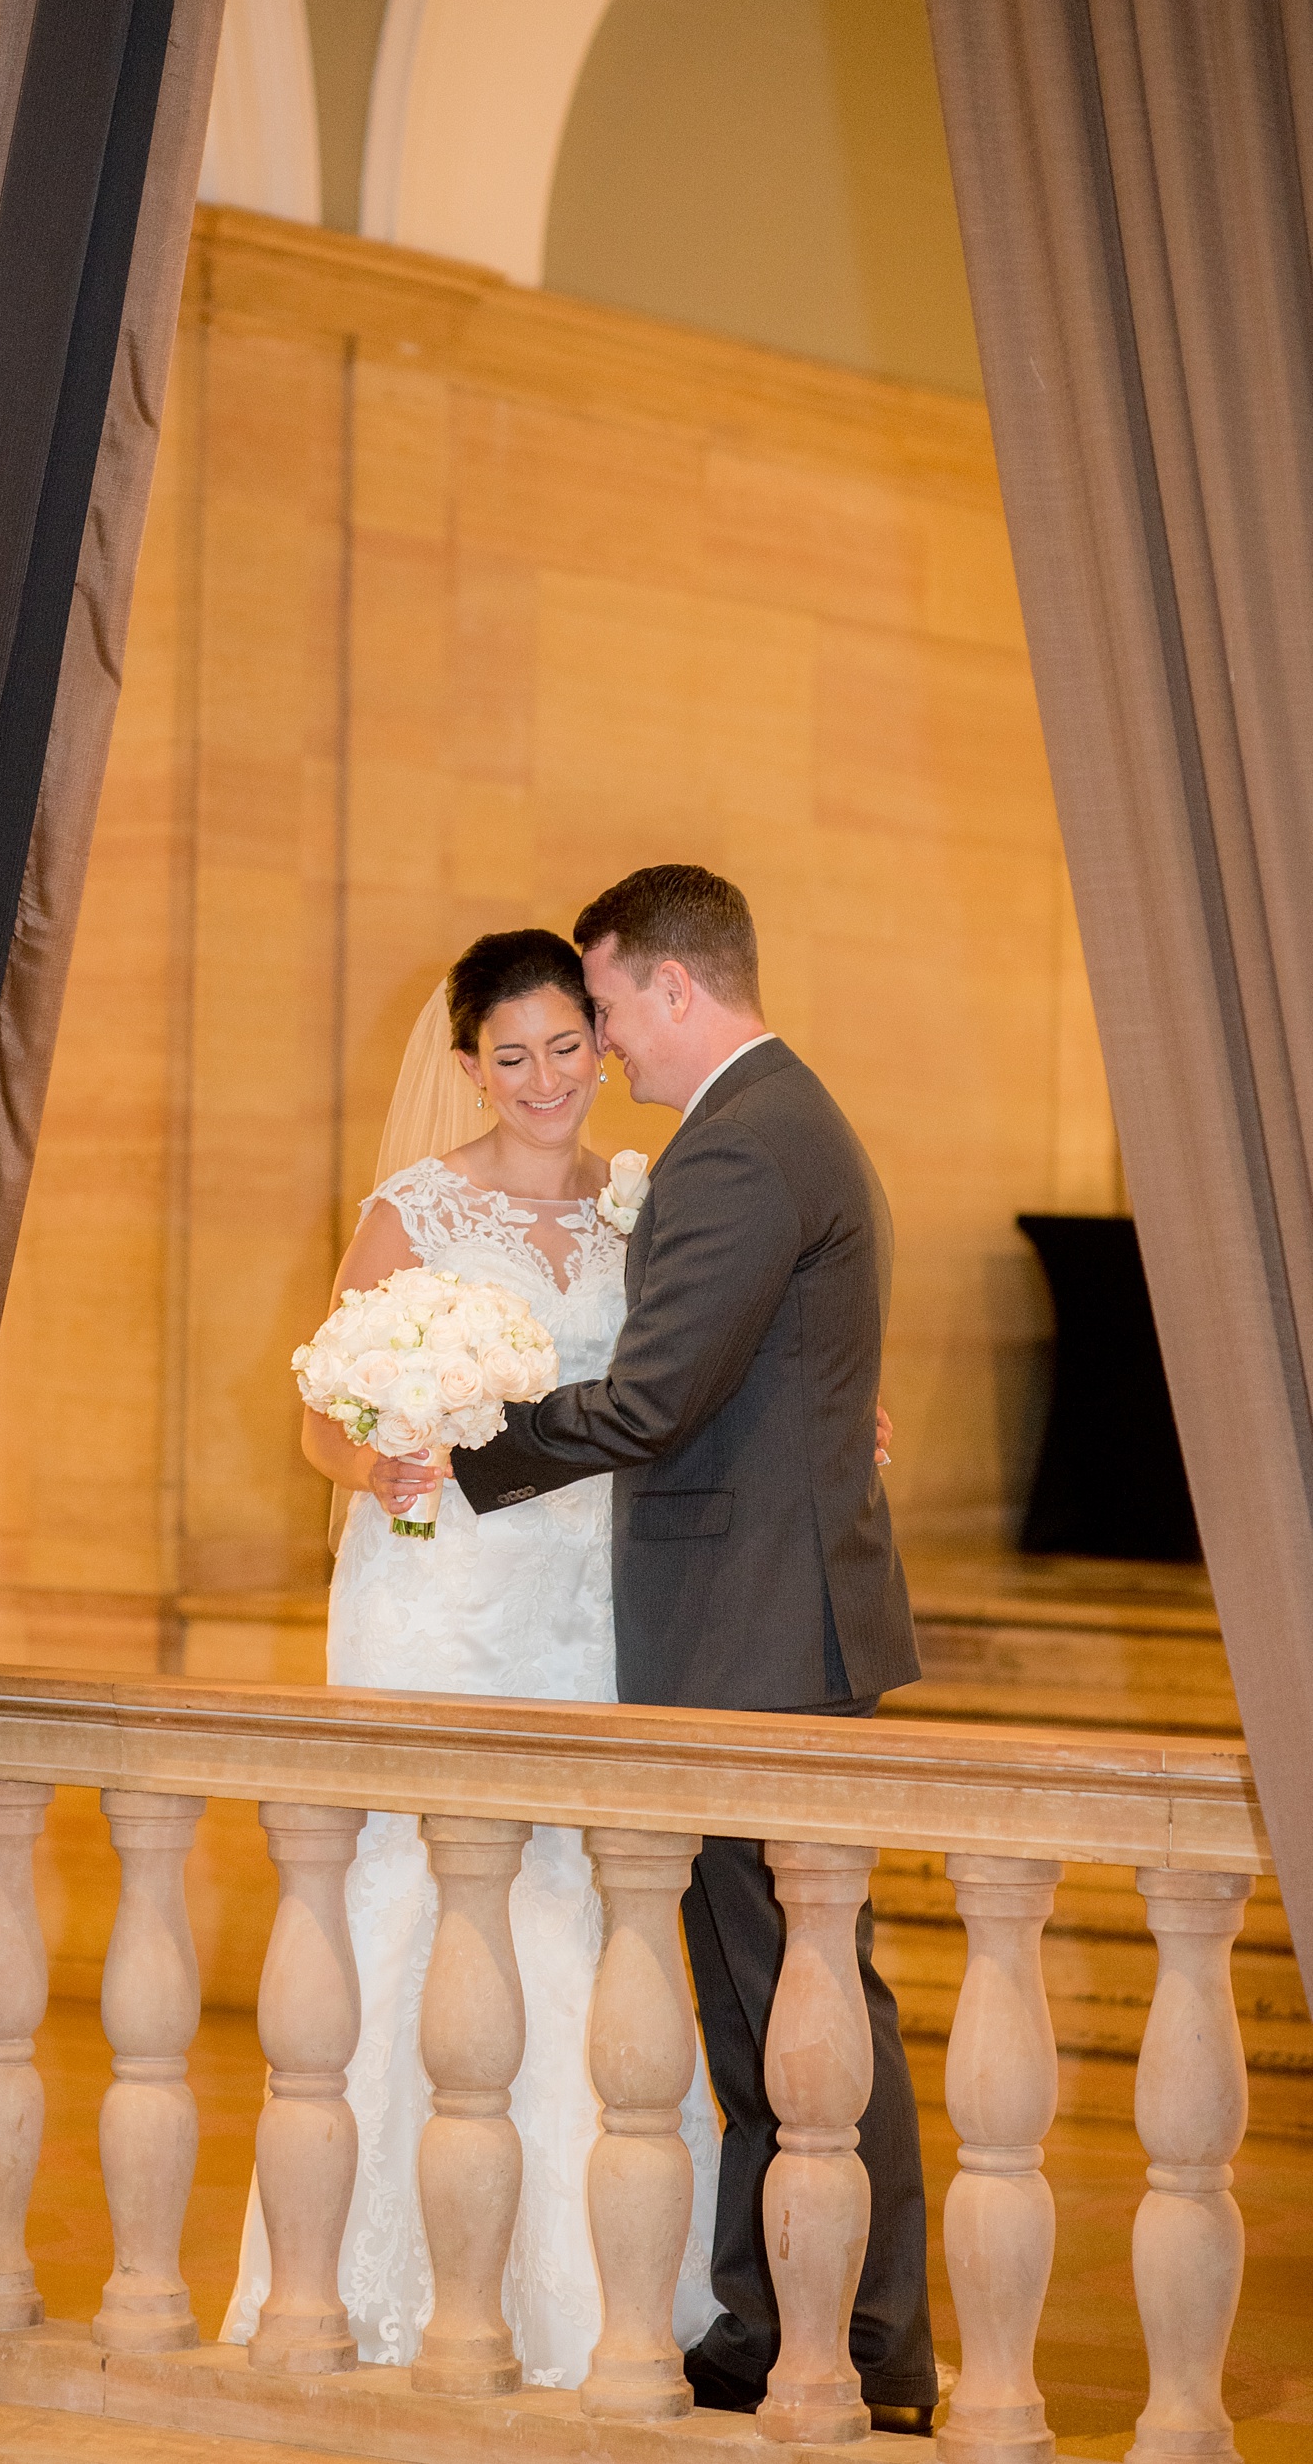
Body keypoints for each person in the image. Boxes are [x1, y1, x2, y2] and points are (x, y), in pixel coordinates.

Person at [450, 865, 938, 2433]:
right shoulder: (762, 1127)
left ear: (673, 986)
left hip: (760, 1642)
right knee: (765, 2014)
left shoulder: (739, 1144)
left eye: (601, 1010)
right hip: (756, 1625)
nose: (599, 1048)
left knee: (803, 2016)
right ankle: (773, 2317)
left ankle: (860, 2343)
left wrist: (467, 1446)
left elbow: (655, 1397)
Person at [222, 926, 722, 2385]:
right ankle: (364, 2269)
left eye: (569, 1044)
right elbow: (323, 1404)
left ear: (599, 1041)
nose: (547, 1076)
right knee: (409, 1897)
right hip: (437, 1599)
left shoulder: (643, 1209)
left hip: (582, 1606)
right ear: (466, 1068)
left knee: (576, 1898)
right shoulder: (416, 1209)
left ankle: (592, 2285)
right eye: (512, 1055)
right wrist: (366, 1462)